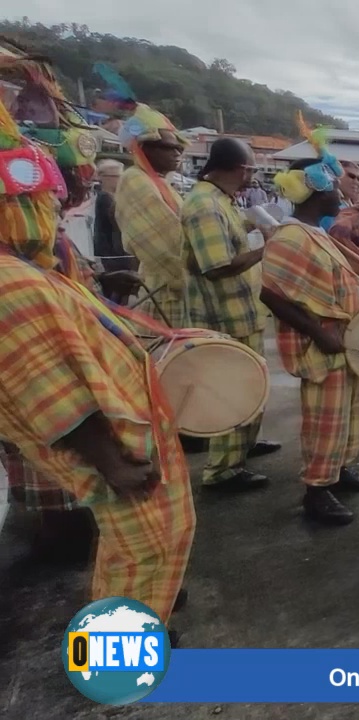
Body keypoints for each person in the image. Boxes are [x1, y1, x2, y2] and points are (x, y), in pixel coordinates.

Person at [0, 101, 195, 625]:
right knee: (142, 546)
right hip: (108, 445)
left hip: (115, 434)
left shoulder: (23, 270)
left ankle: (137, 621)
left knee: (137, 544)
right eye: (42, 199)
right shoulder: (10, 281)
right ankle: (115, 659)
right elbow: (45, 387)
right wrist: (111, 460)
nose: (52, 209)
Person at [260, 131, 359, 526]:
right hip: (323, 343)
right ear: (317, 191)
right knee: (324, 419)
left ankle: (340, 470)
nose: (341, 195)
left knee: (346, 414)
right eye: (334, 186)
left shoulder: (314, 232)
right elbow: (272, 295)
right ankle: (317, 489)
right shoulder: (289, 236)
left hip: (343, 338)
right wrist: (319, 333)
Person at [181, 137, 281, 490]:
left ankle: (244, 448)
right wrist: (266, 250)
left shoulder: (219, 201)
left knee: (251, 386)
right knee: (231, 392)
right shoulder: (204, 205)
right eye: (252, 168)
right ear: (239, 169)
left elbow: (227, 241)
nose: (253, 175)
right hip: (223, 318)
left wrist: (253, 226)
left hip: (241, 314)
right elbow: (217, 266)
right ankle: (223, 470)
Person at [113, 103, 189, 327]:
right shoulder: (135, 180)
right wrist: (192, 278)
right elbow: (163, 244)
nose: (177, 153)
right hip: (167, 288)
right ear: (144, 148)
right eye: (168, 147)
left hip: (175, 287)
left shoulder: (161, 182)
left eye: (179, 148)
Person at [92, 159, 129, 275]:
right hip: (112, 254)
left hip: (116, 253)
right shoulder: (104, 199)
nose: (120, 180)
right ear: (103, 177)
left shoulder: (113, 197)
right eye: (117, 176)